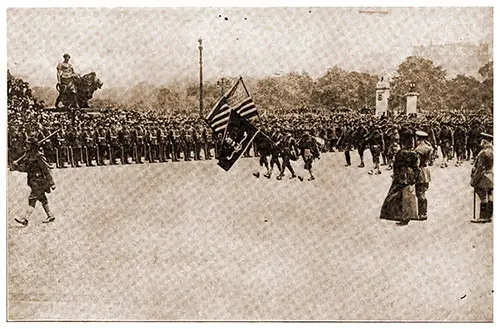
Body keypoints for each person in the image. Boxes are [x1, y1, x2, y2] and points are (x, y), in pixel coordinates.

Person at [12, 137, 56, 226]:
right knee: (42, 198)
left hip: (39, 181)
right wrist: (16, 166)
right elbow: (26, 168)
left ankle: (25, 219)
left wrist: (52, 183)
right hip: (33, 180)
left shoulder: (39, 156)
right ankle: (50, 215)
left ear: (32, 146)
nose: (26, 145)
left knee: (32, 199)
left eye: (28, 144)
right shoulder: (28, 155)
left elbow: (46, 169)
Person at [380, 138, 419, 225]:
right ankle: (408, 215)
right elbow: (416, 167)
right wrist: (415, 177)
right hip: (410, 174)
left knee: (397, 194)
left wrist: (395, 175)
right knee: (408, 196)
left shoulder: (400, 154)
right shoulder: (414, 153)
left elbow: (396, 165)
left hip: (401, 174)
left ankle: (399, 215)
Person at [470, 132, 493, 223]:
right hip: (491, 175)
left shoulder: (483, 153)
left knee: (482, 195)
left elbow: (479, 168)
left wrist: (474, 180)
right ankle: (489, 215)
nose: (480, 142)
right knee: (490, 194)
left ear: (484, 142)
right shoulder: (492, 151)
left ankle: (483, 217)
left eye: (482, 141)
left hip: (483, 176)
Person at [414, 131, 433, 220]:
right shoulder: (428, 147)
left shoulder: (419, 149)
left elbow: (416, 163)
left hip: (420, 172)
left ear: (418, 138)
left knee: (420, 193)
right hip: (426, 171)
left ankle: (422, 213)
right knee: (423, 192)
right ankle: (423, 212)